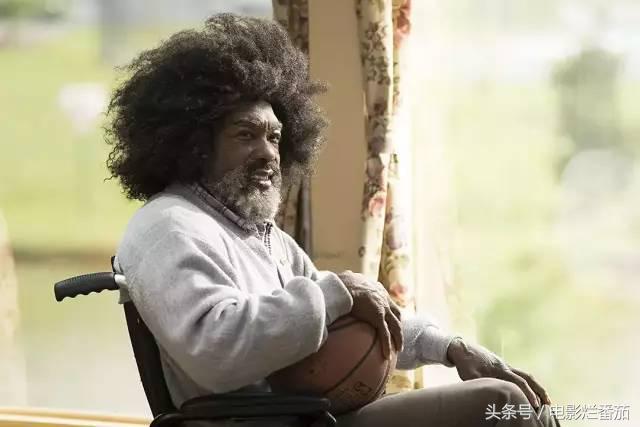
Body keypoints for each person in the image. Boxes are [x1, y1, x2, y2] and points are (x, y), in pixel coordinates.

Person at [107, 13, 560, 427]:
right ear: (194, 143)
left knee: (520, 403)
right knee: (500, 403)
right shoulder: (168, 227)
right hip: (267, 423)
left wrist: (450, 347)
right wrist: (339, 292)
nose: (268, 154)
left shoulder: (261, 236)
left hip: (312, 416)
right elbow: (217, 350)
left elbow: (359, 312)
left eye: (275, 137)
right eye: (246, 135)